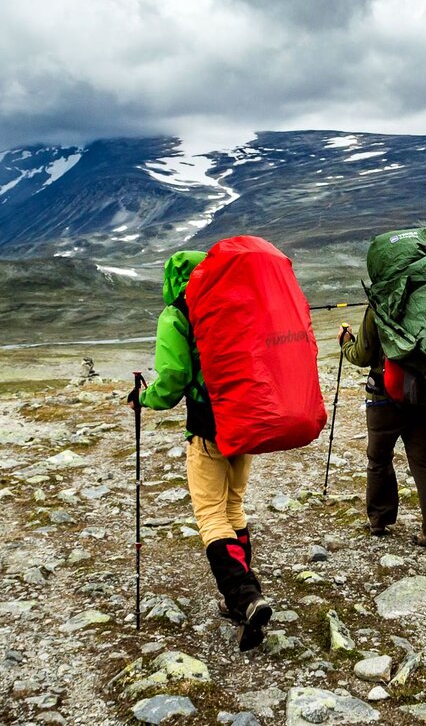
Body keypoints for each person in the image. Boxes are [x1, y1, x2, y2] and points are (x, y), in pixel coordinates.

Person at [130, 250, 272, 651]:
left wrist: (145, 400)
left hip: (209, 426)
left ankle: (244, 599)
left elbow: (174, 377)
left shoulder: (177, 314)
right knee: (234, 507)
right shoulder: (235, 304)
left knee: (211, 514)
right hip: (246, 418)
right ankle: (245, 595)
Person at [340, 308, 426, 549]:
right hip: (423, 397)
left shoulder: (380, 305)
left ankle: (379, 520)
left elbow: (362, 356)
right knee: (423, 461)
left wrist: (346, 343)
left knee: (379, 458)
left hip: (384, 397)